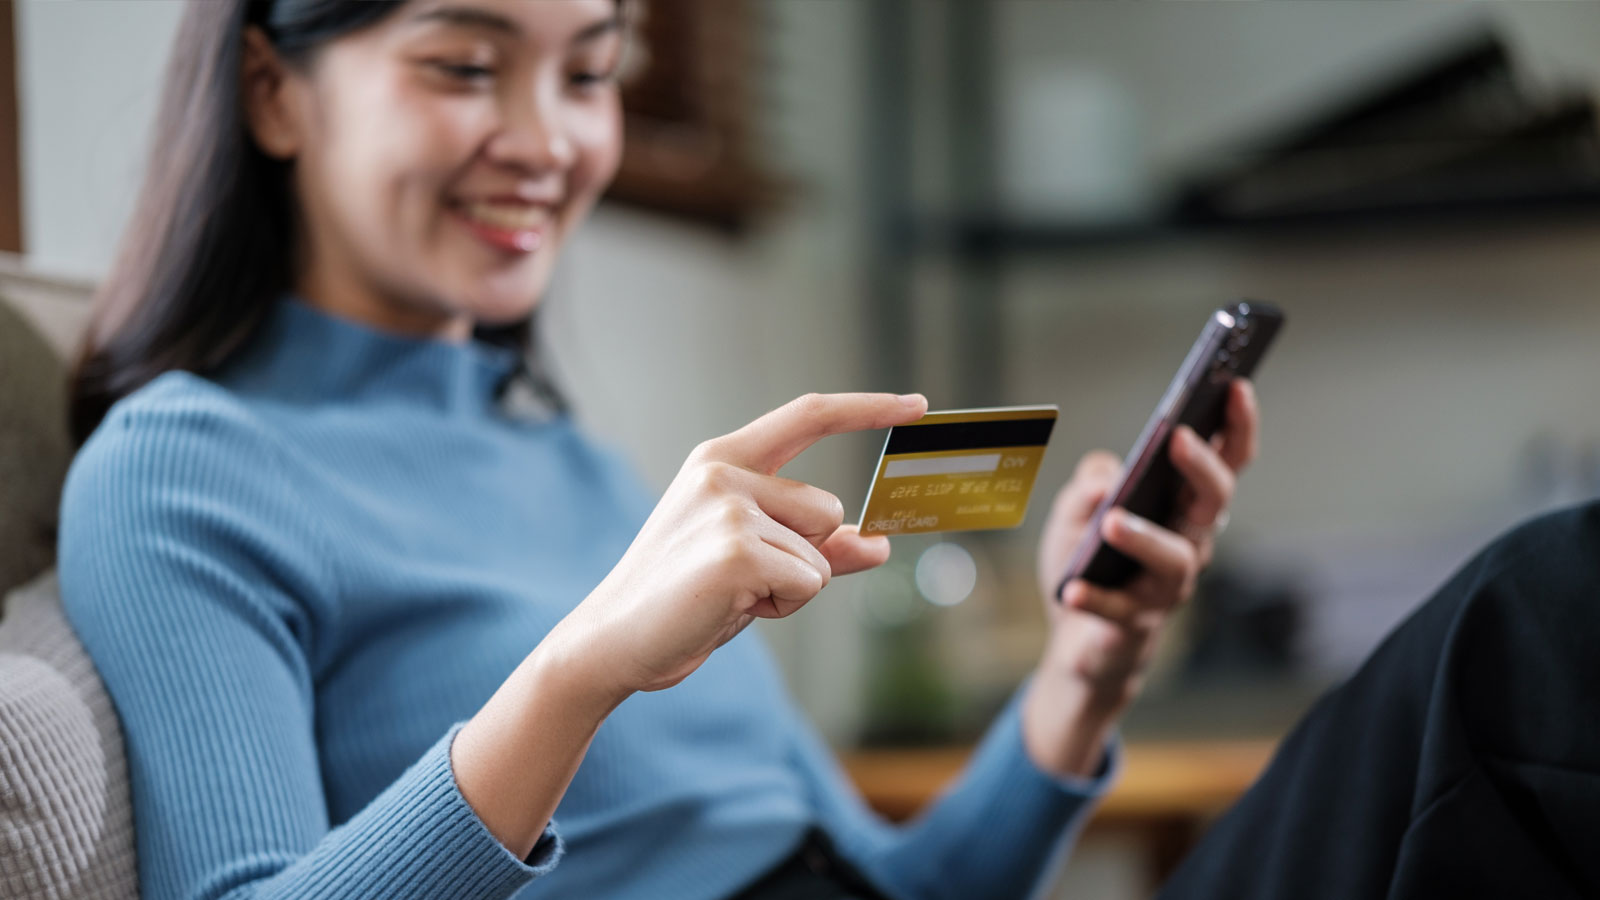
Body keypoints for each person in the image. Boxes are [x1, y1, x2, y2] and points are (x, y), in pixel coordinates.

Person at [57, 2, 1256, 898]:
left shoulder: (576, 462)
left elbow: (904, 884)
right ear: (272, 91)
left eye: (590, 73)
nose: (547, 140)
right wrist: (579, 671)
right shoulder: (183, 468)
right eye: (464, 66)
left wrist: (1087, 669)